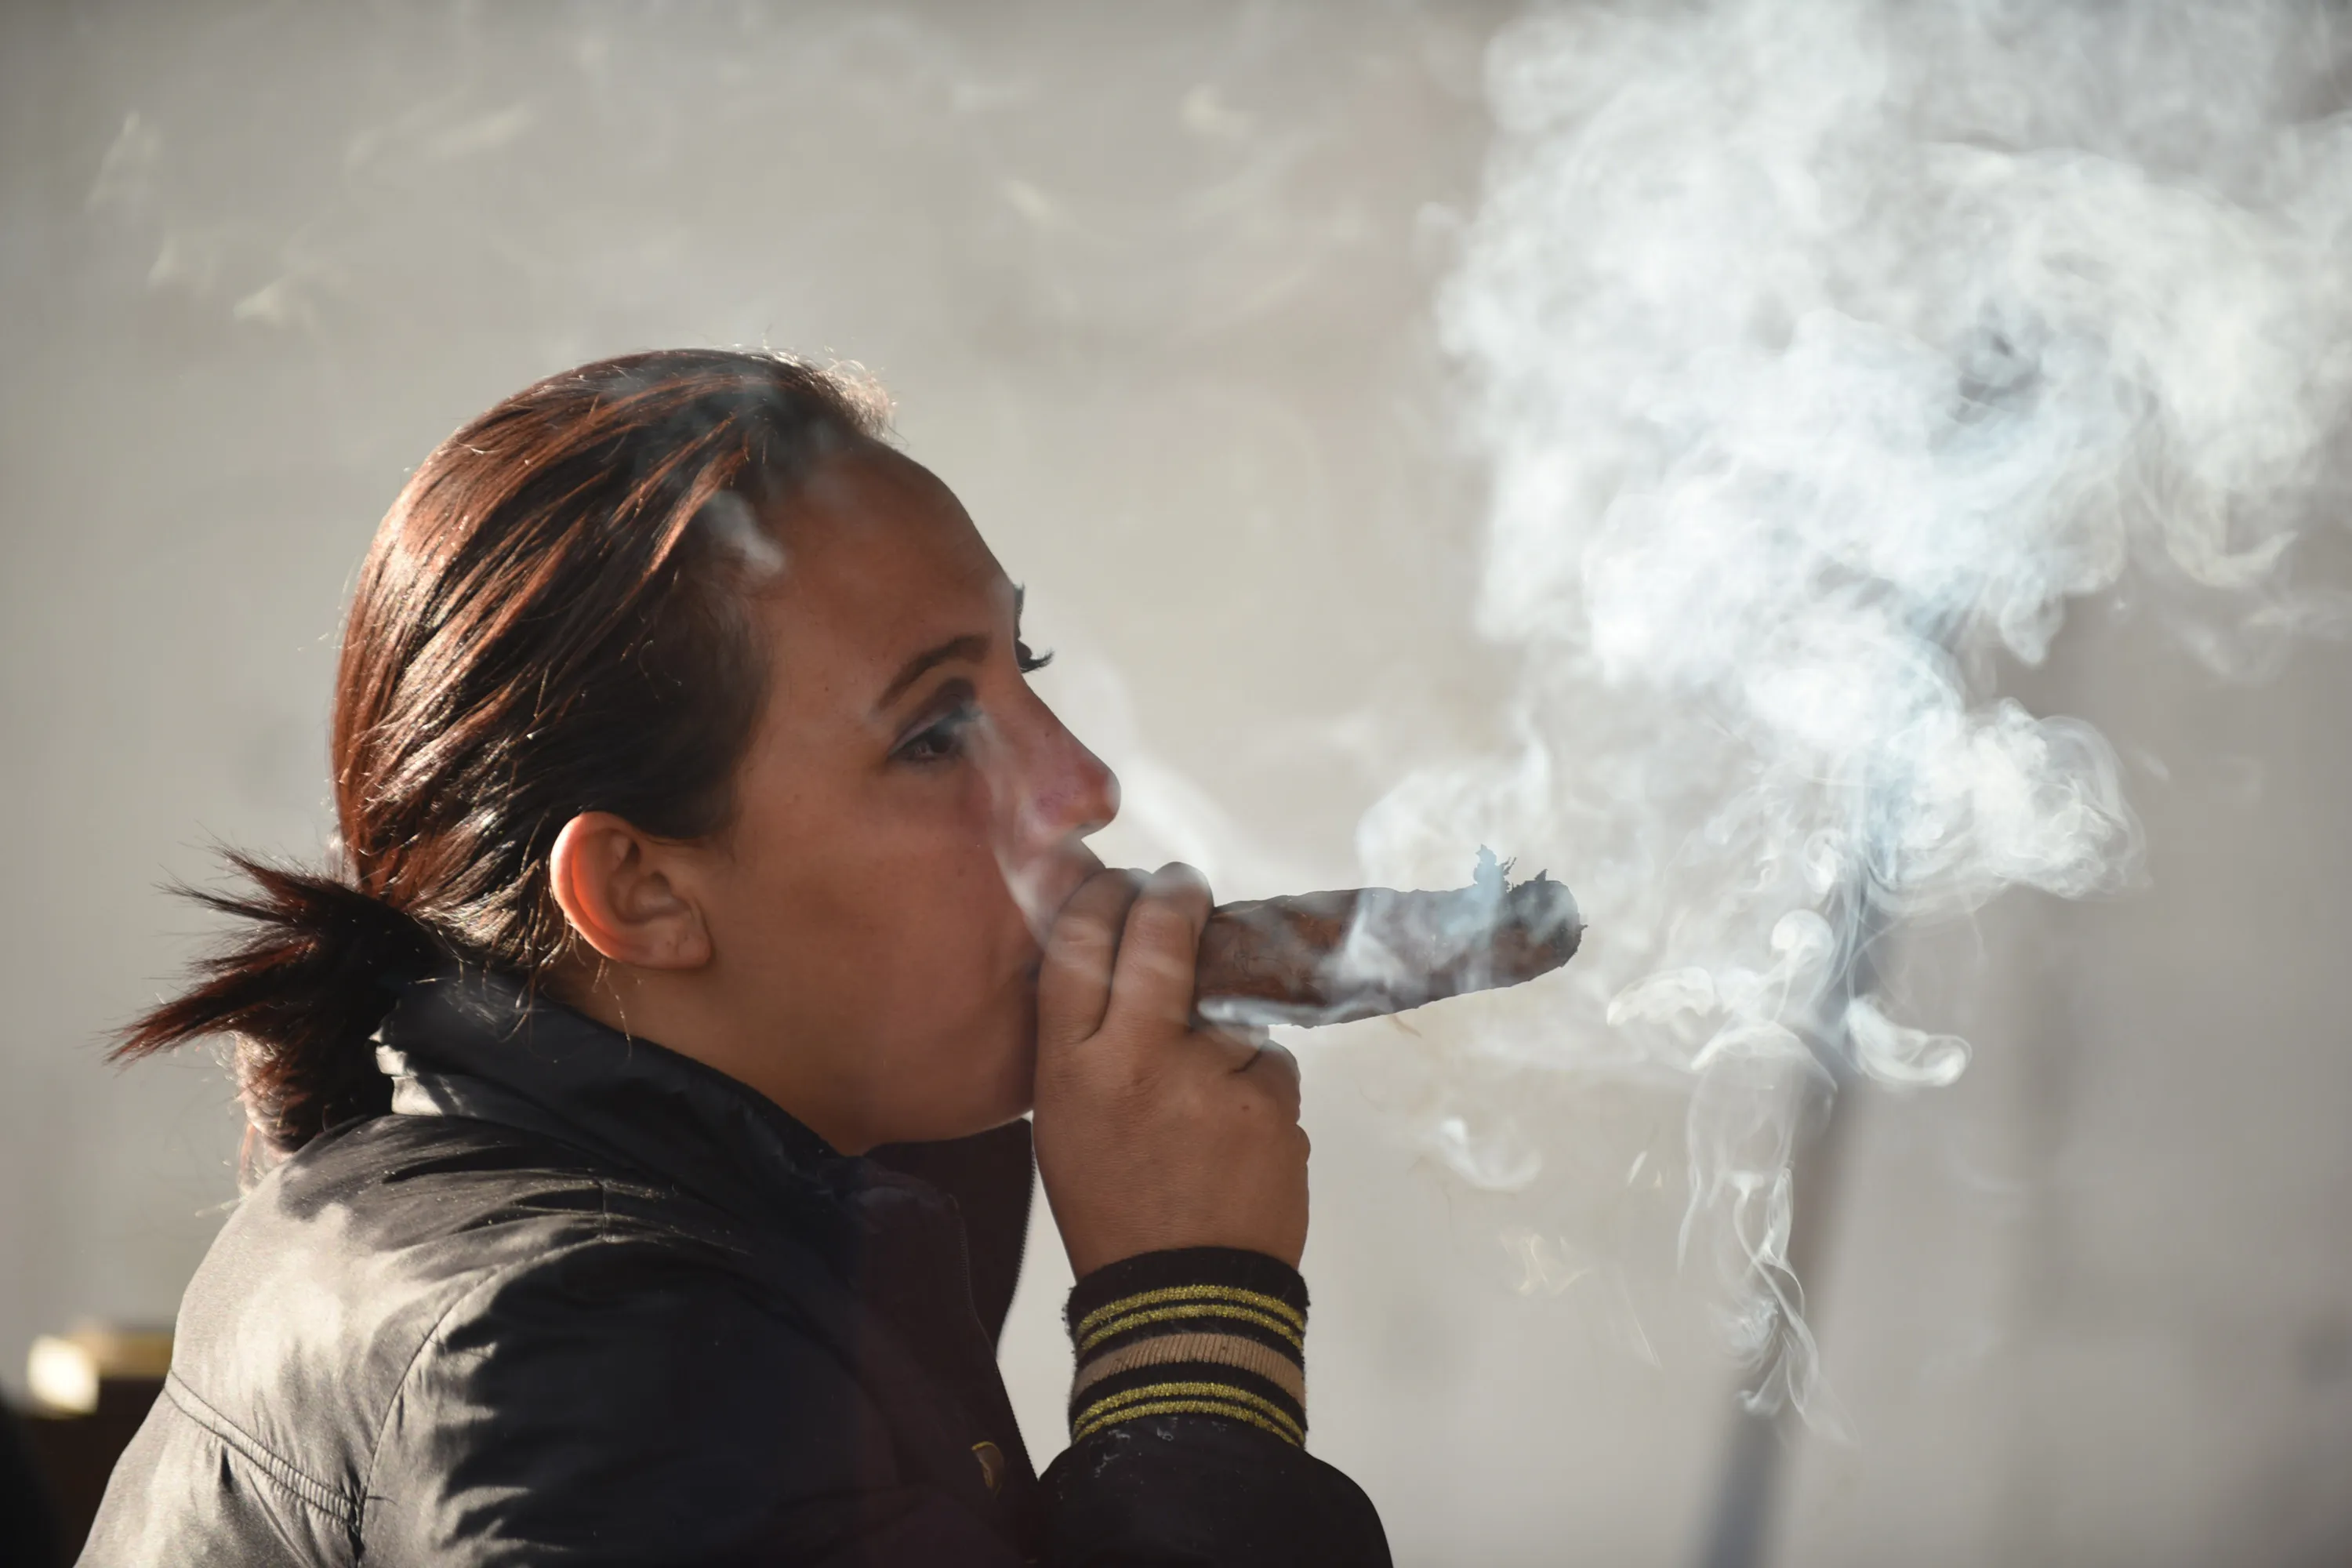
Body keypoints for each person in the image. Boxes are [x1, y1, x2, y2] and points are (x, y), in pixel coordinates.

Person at [79, 350, 1390, 1566]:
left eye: (1022, 665)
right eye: (937, 733)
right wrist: (1188, 1335)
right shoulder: (584, 1354)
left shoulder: (763, 1211)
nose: (1086, 783)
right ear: (640, 891)